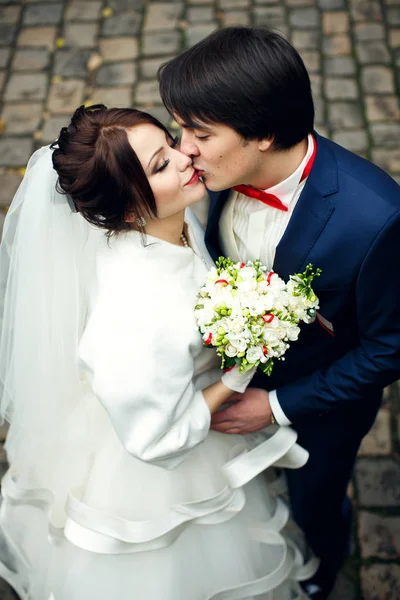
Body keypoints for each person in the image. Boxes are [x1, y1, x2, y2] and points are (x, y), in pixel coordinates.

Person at [0, 105, 318, 600]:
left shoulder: (170, 215)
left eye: (170, 142)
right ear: (127, 211)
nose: (186, 156)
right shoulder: (133, 321)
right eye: (160, 165)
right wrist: (236, 377)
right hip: (156, 472)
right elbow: (155, 441)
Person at [158, 26, 400, 599]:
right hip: (218, 385)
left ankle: (321, 570)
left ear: (263, 134)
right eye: (180, 128)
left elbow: (390, 346)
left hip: (317, 410)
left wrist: (278, 404)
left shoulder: (377, 220)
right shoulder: (205, 179)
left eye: (199, 133)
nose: (181, 149)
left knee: (315, 500)